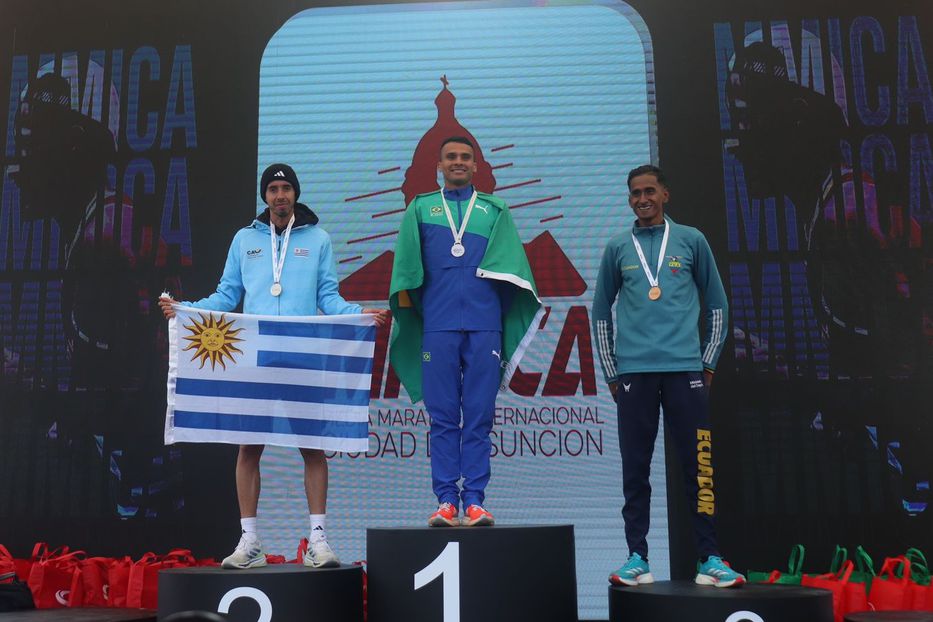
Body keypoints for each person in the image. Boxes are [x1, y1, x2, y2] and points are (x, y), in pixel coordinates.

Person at [159, 164, 387, 568]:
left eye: (286, 189)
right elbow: (227, 295)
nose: (280, 195)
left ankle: (319, 540)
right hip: (256, 354)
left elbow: (329, 297)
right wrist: (185, 310)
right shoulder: (244, 239)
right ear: (265, 196)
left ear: (296, 194)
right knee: (249, 447)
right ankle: (250, 541)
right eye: (273, 189)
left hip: (302, 355)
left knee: (313, 447)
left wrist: (358, 314)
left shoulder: (318, 239)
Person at [592, 165, 744, 587]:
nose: (643, 199)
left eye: (649, 191)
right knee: (635, 469)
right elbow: (601, 310)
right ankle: (636, 556)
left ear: (665, 194)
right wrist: (611, 371)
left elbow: (717, 304)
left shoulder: (692, 240)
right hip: (635, 375)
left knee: (700, 466)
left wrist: (707, 362)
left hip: (685, 371)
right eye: (635, 193)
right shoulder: (618, 247)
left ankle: (710, 557)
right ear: (629, 200)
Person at [389, 137, 542, 527]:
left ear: (477, 166)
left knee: (478, 416)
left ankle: (474, 500)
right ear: (439, 164)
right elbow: (407, 272)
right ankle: (445, 501)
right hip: (438, 326)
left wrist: (494, 316)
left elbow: (513, 274)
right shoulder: (420, 209)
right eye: (451, 157)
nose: (458, 163)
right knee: (442, 418)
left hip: (483, 326)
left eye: (466, 158)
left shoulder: (495, 211)